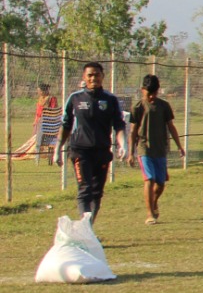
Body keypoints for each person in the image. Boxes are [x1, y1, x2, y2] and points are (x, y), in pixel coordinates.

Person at [55, 62, 126, 223]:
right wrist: (57, 148)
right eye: (90, 75)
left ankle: (88, 228)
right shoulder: (75, 98)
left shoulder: (110, 100)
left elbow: (119, 125)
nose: (94, 78)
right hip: (80, 151)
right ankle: (85, 230)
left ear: (103, 76)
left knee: (97, 192)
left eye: (97, 74)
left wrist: (123, 145)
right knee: (84, 190)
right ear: (84, 77)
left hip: (102, 151)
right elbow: (65, 125)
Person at [128, 74, 186, 225]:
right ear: (142, 90)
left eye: (155, 93)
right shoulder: (138, 107)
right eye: (149, 93)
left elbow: (171, 127)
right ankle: (149, 214)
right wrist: (130, 153)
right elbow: (133, 131)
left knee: (160, 183)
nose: (152, 96)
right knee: (149, 179)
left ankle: (153, 202)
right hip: (144, 148)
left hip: (160, 149)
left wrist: (179, 146)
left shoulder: (164, 106)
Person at [32, 83, 60, 162]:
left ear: (43, 91)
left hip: (48, 121)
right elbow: (38, 111)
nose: (38, 92)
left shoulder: (52, 98)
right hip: (40, 121)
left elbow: (53, 109)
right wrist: (35, 121)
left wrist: (47, 118)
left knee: (48, 139)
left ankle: (50, 155)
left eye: (39, 91)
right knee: (37, 139)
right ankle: (37, 156)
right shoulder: (40, 99)